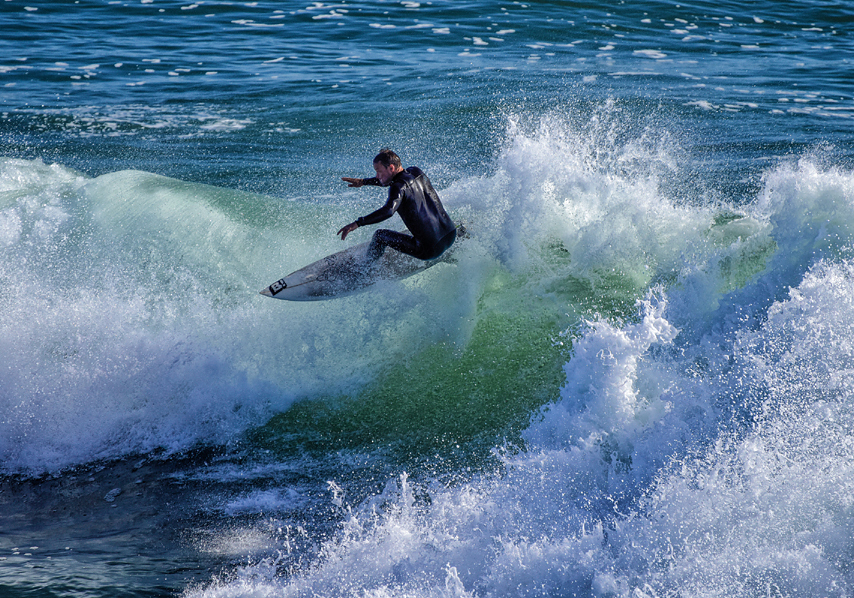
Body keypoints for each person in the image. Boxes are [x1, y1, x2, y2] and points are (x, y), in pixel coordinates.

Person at [337, 149, 457, 263]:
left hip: (430, 250)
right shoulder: (416, 171)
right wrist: (363, 181)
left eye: (379, 171)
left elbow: (388, 211)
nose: (377, 176)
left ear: (391, 167)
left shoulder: (397, 187)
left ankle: (366, 269)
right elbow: (389, 180)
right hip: (450, 234)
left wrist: (358, 223)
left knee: (380, 236)